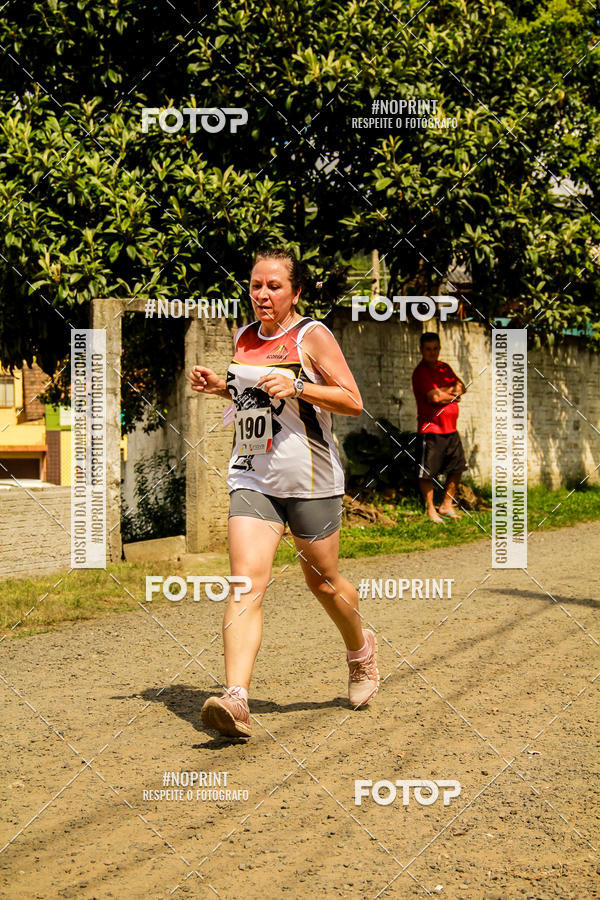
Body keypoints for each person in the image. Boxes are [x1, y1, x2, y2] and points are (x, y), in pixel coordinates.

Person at [189, 248, 379, 738]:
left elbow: (352, 401)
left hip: (310, 479)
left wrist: (298, 385)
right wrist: (218, 387)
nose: (262, 294)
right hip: (253, 475)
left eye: (274, 286)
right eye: (256, 285)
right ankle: (236, 699)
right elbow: (252, 394)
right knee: (245, 583)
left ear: (296, 292)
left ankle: (360, 650)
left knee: (323, 582)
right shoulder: (244, 337)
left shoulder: (312, 336)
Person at [411, 332, 467, 524]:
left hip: (451, 429)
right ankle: (430, 509)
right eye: (428, 349)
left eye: (435, 348)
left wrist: (446, 393)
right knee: (427, 472)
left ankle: (446, 505)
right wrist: (452, 394)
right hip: (431, 430)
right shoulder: (420, 372)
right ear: (421, 350)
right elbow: (433, 398)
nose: (432, 353)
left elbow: (462, 387)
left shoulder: (445, 368)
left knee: (457, 467)